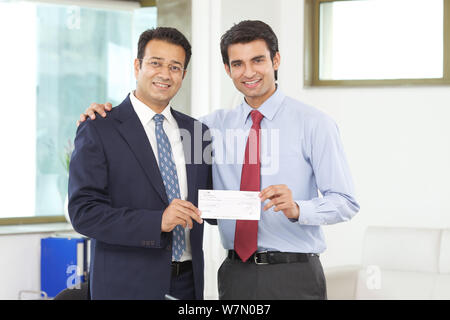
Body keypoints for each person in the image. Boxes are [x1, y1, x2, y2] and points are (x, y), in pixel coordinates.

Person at [78, 20, 360, 300]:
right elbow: (184, 184)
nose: (248, 72)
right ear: (228, 69)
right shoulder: (206, 129)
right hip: (235, 273)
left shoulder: (314, 124)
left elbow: (346, 202)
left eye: (258, 60)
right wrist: (103, 114)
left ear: (276, 60)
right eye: (237, 64)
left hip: (293, 273)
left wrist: (299, 208)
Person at [69, 27, 212, 300]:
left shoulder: (196, 132)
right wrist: (158, 221)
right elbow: (84, 212)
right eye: (155, 63)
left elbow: (208, 201)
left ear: (183, 74)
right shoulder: (100, 128)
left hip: (188, 284)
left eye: (175, 67)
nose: (164, 74)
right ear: (137, 65)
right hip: (126, 284)